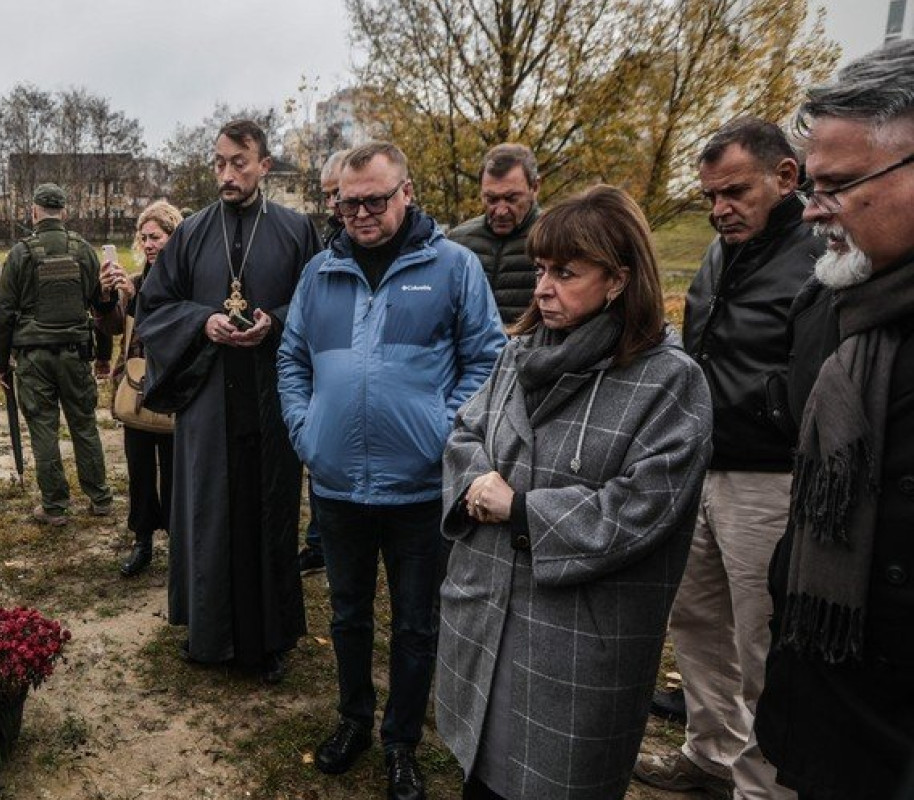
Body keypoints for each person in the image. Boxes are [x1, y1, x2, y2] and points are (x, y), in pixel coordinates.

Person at [437, 185, 713, 800]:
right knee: (481, 776)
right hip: (487, 617)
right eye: (540, 269)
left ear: (617, 280)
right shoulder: (521, 353)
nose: (542, 288)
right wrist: (475, 477)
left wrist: (522, 509)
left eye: (565, 272)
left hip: (575, 644)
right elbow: (467, 428)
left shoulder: (668, 381)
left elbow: (641, 507)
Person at [277, 142, 505, 795]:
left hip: (420, 489)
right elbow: (292, 360)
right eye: (348, 203)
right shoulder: (321, 273)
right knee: (347, 614)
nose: (361, 214)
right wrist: (305, 430)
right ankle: (353, 719)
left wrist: (445, 430)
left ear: (406, 192)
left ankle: (400, 740)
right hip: (337, 483)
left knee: (415, 622)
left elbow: (487, 361)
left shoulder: (454, 268)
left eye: (375, 200)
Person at [634, 118, 821, 800]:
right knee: (696, 622)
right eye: (710, 195)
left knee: (761, 645)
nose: (719, 209)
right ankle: (711, 753)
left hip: (771, 480)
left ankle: (764, 787)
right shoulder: (721, 252)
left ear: (786, 176)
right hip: (700, 467)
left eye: (734, 192)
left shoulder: (819, 256)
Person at [756, 39, 914, 800]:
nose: (813, 212)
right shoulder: (836, 301)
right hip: (832, 717)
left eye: (838, 186)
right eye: (812, 186)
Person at [136, 119, 321, 684]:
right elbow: (155, 306)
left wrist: (278, 321)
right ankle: (209, 633)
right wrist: (205, 320)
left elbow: (319, 303)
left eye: (238, 162)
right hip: (209, 396)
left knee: (269, 513)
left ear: (264, 165)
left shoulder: (294, 229)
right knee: (210, 513)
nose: (226, 173)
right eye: (218, 162)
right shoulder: (191, 233)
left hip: (270, 397)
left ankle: (270, 641)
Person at [0, 183, 116, 526]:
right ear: (64, 212)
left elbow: (2, 311)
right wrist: (103, 355)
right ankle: (101, 497)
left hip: (34, 359)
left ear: (34, 212)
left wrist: (0, 363)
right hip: (76, 355)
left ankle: (55, 506)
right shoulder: (84, 250)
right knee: (84, 424)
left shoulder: (21, 253)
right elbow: (102, 307)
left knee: (43, 428)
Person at [98, 201, 183, 577]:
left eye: (157, 237)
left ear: (173, 236)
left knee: (177, 469)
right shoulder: (134, 281)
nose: (149, 244)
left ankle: (182, 539)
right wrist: (105, 296)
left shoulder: (186, 277)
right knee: (139, 468)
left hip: (175, 385)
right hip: (135, 385)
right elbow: (116, 327)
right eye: (144, 237)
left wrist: (137, 297)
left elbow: (175, 320)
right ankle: (143, 539)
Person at [295, 148, 353, 578]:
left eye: (338, 195)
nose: (332, 205)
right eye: (328, 195)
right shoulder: (328, 242)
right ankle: (320, 541)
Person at [448, 143, 542, 324]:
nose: (500, 211)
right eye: (491, 199)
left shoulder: (556, 239)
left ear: (535, 187)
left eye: (511, 198)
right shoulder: (458, 242)